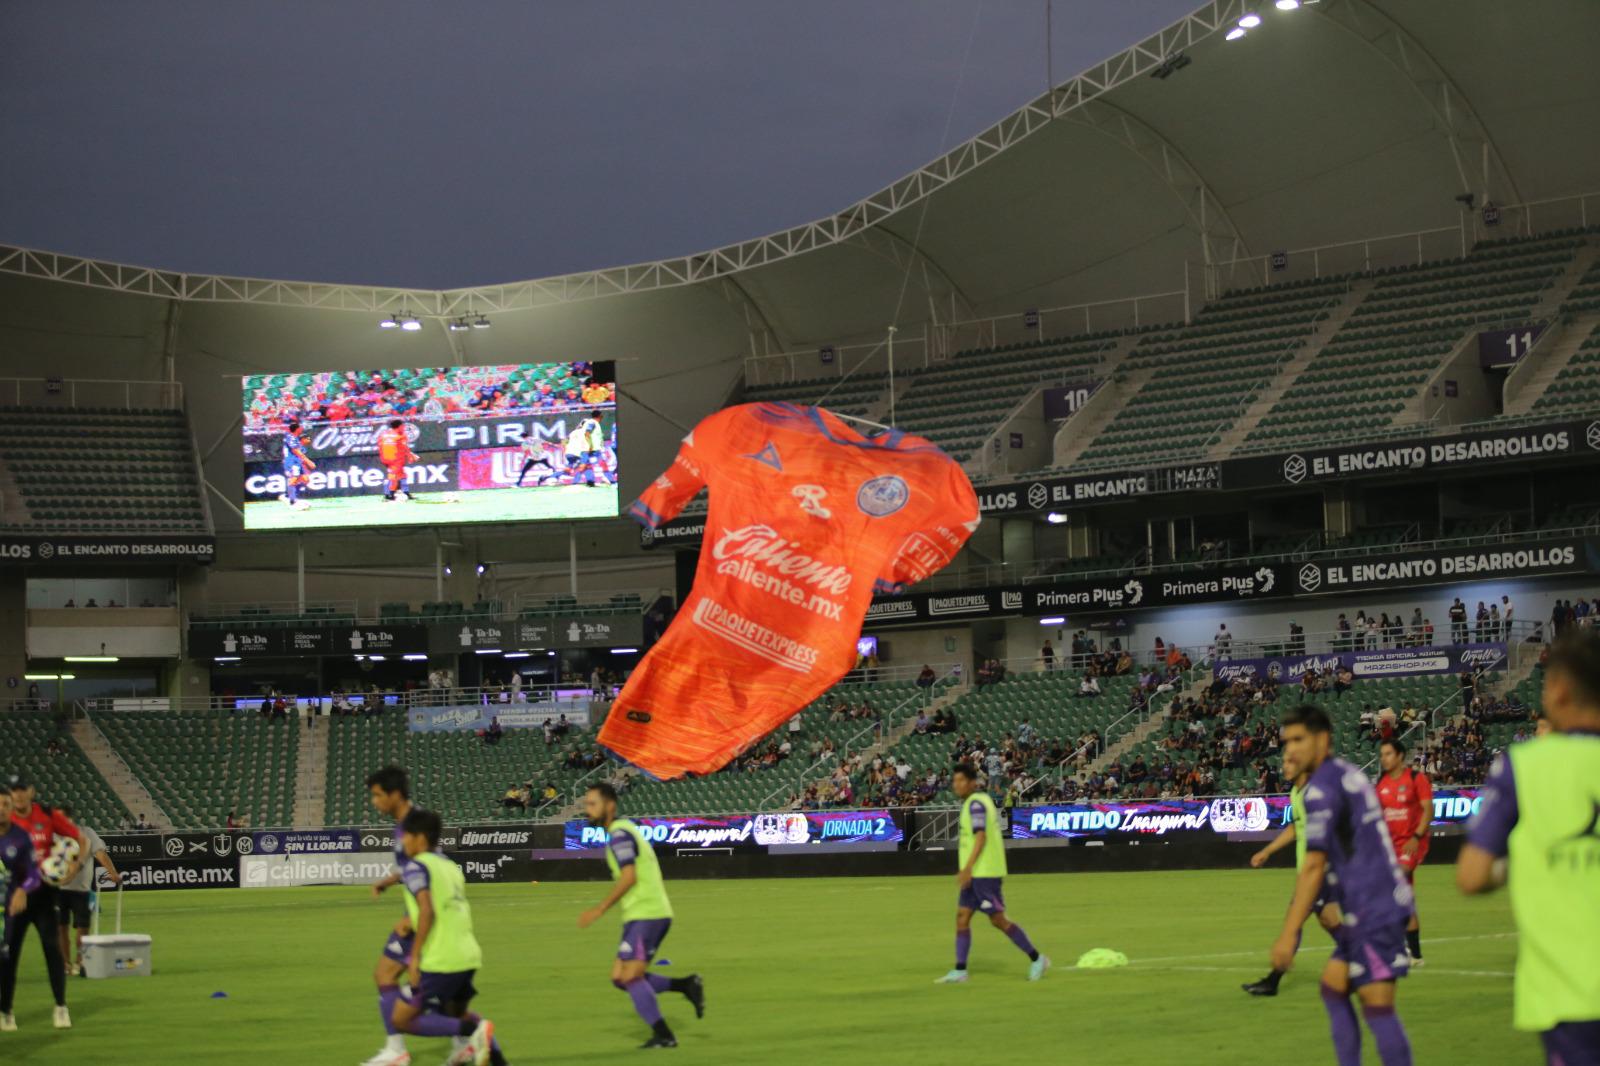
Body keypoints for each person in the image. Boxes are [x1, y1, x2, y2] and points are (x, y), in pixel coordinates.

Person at [1457, 629, 1600, 1065]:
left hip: (1569, 995)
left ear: (1557, 690)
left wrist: (1520, 861)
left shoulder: (1524, 766)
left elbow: (1472, 876)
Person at [1267, 706, 1415, 1066]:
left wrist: (1288, 935)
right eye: (1287, 742)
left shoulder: (1320, 790)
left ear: (1323, 739)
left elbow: (1314, 865)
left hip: (1373, 909)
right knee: (1333, 989)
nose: (1292, 750)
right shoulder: (1349, 774)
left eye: (1300, 740)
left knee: (1378, 1008)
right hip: (1378, 901)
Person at [577, 783, 705, 1048]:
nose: (587, 810)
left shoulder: (620, 835)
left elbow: (629, 876)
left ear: (609, 805)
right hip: (640, 914)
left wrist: (599, 909)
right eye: (586, 804)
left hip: (649, 912)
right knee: (619, 977)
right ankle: (685, 985)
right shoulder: (624, 830)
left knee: (630, 977)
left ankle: (664, 1035)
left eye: (592, 804)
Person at [386, 808, 506, 1066]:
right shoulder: (450, 866)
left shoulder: (416, 866)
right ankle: (497, 1059)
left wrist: (414, 957)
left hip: (442, 959)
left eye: (406, 836)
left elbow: (427, 910)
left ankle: (474, 1033)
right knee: (453, 1012)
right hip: (468, 954)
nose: (403, 842)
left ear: (420, 838)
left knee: (402, 1018)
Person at [363, 766, 451, 1066]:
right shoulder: (406, 823)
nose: (374, 802)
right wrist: (389, 881)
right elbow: (416, 867)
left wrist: (412, 918)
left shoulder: (412, 826)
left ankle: (397, 1050)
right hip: (418, 912)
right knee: (409, 980)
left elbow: (432, 867)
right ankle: (461, 1035)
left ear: (395, 794)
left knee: (386, 975)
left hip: (421, 915)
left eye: (377, 795)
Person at [934, 763, 1050, 984]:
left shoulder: (976, 804)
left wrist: (967, 868)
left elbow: (981, 837)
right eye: (954, 781)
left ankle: (1037, 958)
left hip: (984, 873)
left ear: (971, 783)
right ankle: (960, 971)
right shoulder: (976, 802)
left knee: (998, 920)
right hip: (976, 873)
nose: (956, 785)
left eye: (960, 781)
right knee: (962, 918)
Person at [1242, 757, 1343, 997]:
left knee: (1293, 924)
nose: (1284, 768)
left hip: (1317, 871)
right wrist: (1267, 851)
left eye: (1290, 763)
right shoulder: (1297, 793)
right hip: (1311, 871)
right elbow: (1296, 828)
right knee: (1329, 921)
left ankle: (1273, 981)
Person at [1, 774, 80, 1031]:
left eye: (22, 789)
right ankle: (6, 1011)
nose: (19, 794)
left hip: (44, 895)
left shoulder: (47, 814)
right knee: (9, 955)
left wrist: (72, 868)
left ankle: (60, 1007)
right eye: (14, 790)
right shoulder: (5, 820)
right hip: (13, 899)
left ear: (31, 791)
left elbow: (79, 840)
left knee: (51, 949)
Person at [1376, 739, 1431, 966]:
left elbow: (1428, 810)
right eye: (1382, 754)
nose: (1384, 758)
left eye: (1388, 754)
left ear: (1400, 756)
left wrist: (1417, 837)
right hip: (1390, 847)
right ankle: (1415, 955)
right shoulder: (1381, 783)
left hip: (1411, 844)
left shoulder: (1416, 778)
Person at [52, 809, 119, 979]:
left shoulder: (87, 833)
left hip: (81, 891)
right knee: (61, 928)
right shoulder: (52, 836)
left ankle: (80, 962)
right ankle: (65, 964)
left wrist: (112, 873)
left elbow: (100, 854)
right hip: (58, 890)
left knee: (83, 928)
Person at [279, 420, 314, 511]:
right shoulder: (290, 437)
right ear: (297, 429)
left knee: (306, 479)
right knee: (293, 479)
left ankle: (287, 496)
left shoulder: (295, 438)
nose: (302, 428)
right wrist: (308, 461)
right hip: (292, 462)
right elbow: (295, 451)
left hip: (297, 462)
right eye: (300, 427)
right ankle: (292, 502)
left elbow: (299, 450)